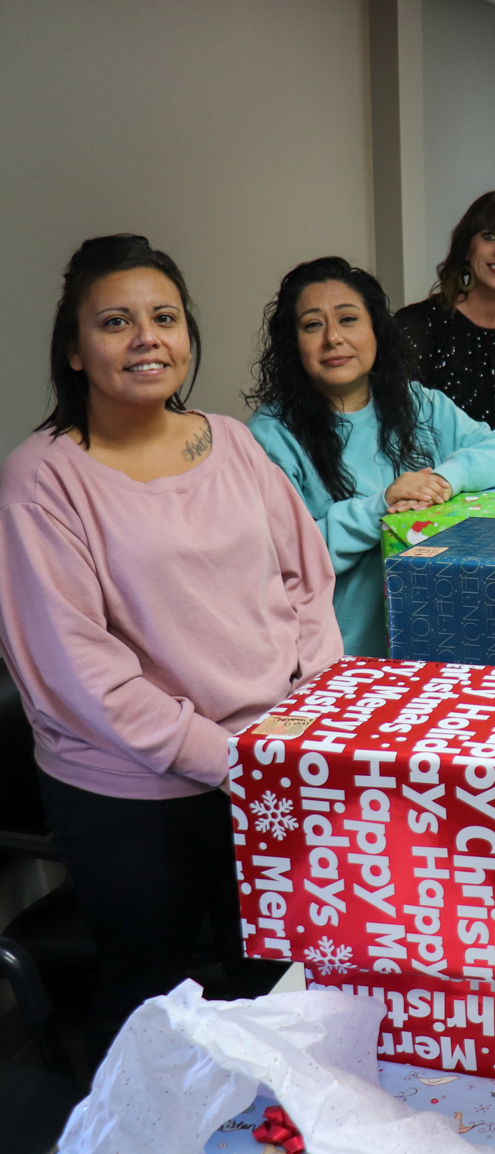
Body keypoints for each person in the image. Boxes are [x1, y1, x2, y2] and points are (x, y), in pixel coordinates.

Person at [0, 235, 342, 1063]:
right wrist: (233, 757)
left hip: (271, 760)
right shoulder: (44, 479)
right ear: (75, 350)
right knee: (154, 999)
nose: (145, 337)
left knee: (276, 980)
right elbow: (83, 674)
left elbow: (307, 582)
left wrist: (313, 711)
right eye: (115, 322)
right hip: (135, 790)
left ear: (188, 336)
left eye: (164, 317)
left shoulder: (230, 441)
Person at [248, 257, 495, 658]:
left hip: (441, 642)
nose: (333, 338)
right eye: (313, 325)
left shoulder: (419, 402)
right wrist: (383, 505)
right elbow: (282, 557)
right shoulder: (269, 434)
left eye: (348, 319)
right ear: (293, 343)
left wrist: (446, 480)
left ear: (376, 330)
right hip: (335, 659)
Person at [396, 190, 495, 481]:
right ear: (466, 248)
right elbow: (401, 429)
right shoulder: (419, 324)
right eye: (489, 236)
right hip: (445, 500)